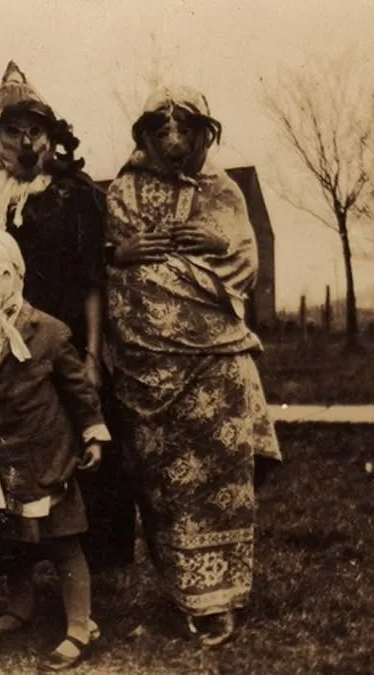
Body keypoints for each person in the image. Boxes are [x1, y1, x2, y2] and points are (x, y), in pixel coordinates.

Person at [0, 61, 135, 626]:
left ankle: (82, 604)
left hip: (58, 352)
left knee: (68, 471)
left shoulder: (75, 196)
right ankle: (14, 598)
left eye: (37, 131)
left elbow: (95, 282)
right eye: (12, 132)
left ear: (53, 137)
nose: (26, 144)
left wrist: (94, 356)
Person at [105, 85, 282, 646]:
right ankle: (182, 594)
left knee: (220, 479)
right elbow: (103, 262)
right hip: (145, 363)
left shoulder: (224, 190)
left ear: (205, 133)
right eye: (163, 133)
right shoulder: (124, 190)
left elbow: (245, 264)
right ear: (147, 137)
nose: (175, 144)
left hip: (214, 359)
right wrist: (120, 255)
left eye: (186, 132)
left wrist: (214, 241)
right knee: (162, 485)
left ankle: (222, 600)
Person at [0, 228, 109, 670]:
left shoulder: (48, 332)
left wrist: (92, 433)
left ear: (16, 275)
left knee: (63, 543)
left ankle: (78, 626)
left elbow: (78, 391)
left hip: (43, 459)